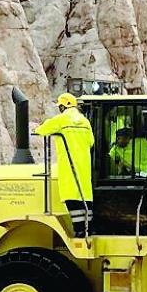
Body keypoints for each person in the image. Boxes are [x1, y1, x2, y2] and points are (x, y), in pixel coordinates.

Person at [36, 93, 94, 235]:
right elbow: (91, 142)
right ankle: (87, 229)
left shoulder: (61, 120)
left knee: (71, 197)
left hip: (69, 165)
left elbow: (41, 131)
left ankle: (79, 230)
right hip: (84, 166)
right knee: (84, 197)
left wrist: (36, 129)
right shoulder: (85, 122)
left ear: (63, 106)